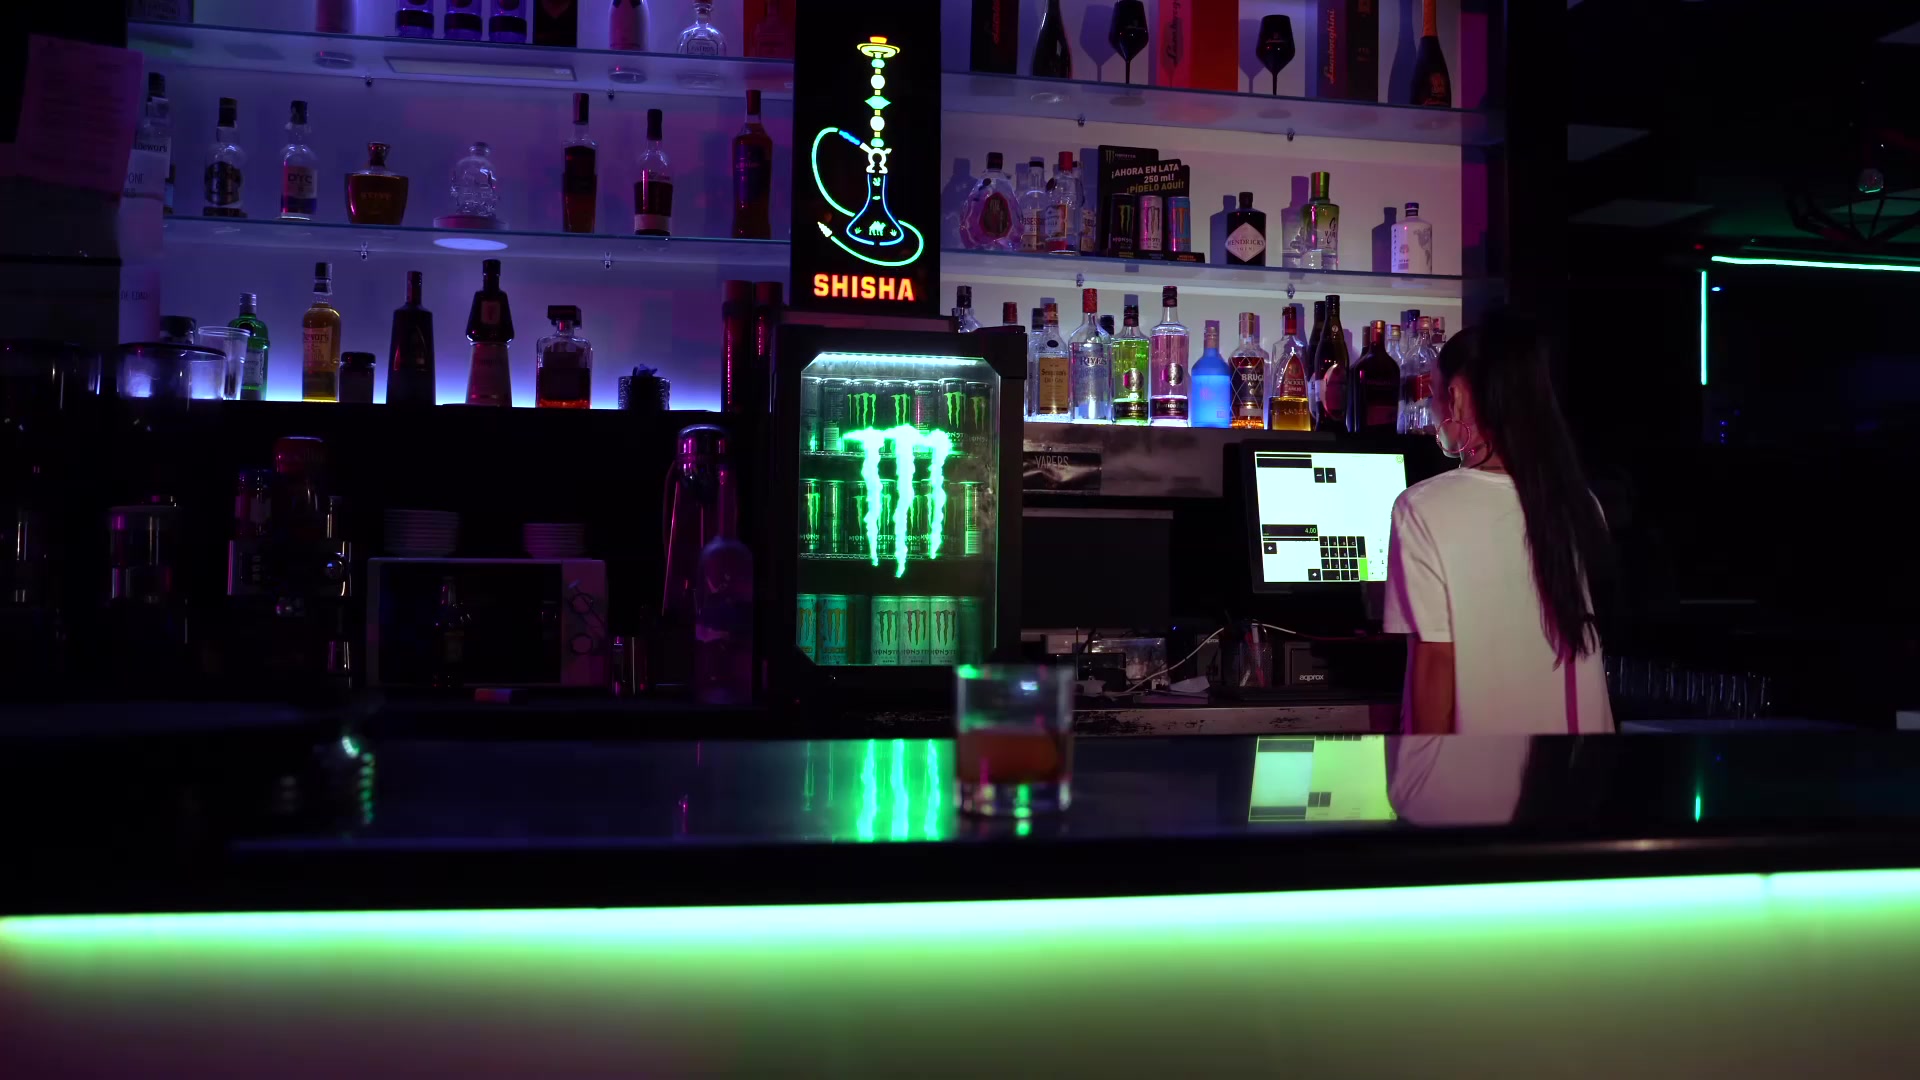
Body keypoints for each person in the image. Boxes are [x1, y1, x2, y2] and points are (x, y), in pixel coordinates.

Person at [1384, 313, 1615, 734]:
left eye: (1433, 395)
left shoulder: (1422, 509)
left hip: (1478, 769)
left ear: (1455, 398)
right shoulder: (1582, 505)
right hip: (1580, 768)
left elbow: (1434, 670)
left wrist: (1417, 773)